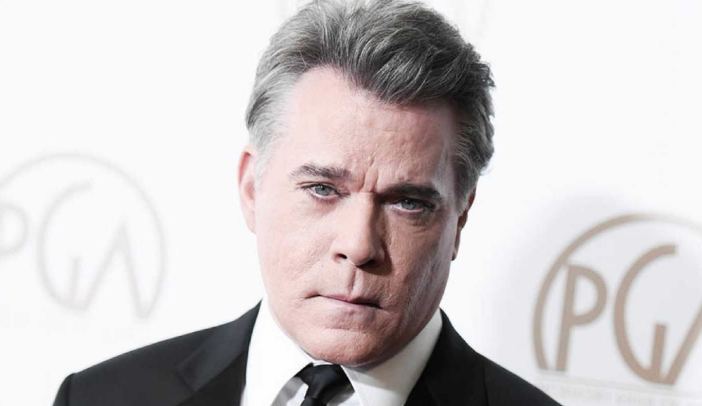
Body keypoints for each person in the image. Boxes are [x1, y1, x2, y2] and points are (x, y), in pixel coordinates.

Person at [53, 0, 561, 405]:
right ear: (252, 188)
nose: (358, 246)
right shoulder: (101, 397)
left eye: (407, 202)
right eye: (323, 189)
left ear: (460, 217)